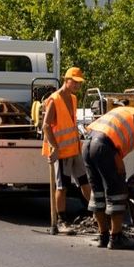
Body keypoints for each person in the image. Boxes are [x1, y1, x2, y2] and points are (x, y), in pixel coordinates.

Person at [82, 101, 134, 249]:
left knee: (98, 192)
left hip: (87, 145)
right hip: (104, 147)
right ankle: (116, 237)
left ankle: (103, 236)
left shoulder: (128, 111)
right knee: (117, 191)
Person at [42, 67, 93, 234]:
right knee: (62, 187)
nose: (78, 85)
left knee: (84, 182)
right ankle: (62, 221)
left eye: (80, 82)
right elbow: (46, 126)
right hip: (61, 151)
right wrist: (55, 148)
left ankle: (97, 212)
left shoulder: (73, 98)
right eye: (75, 82)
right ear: (67, 80)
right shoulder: (54, 99)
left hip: (74, 149)